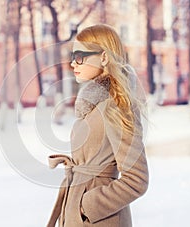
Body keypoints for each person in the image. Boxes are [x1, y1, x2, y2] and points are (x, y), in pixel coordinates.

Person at [47, 24, 149, 227]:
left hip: (100, 219)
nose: (73, 63)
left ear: (103, 57)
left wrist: (86, 206)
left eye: (79, 56)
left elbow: (137, 179)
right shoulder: (94, 106)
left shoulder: (117, 106)